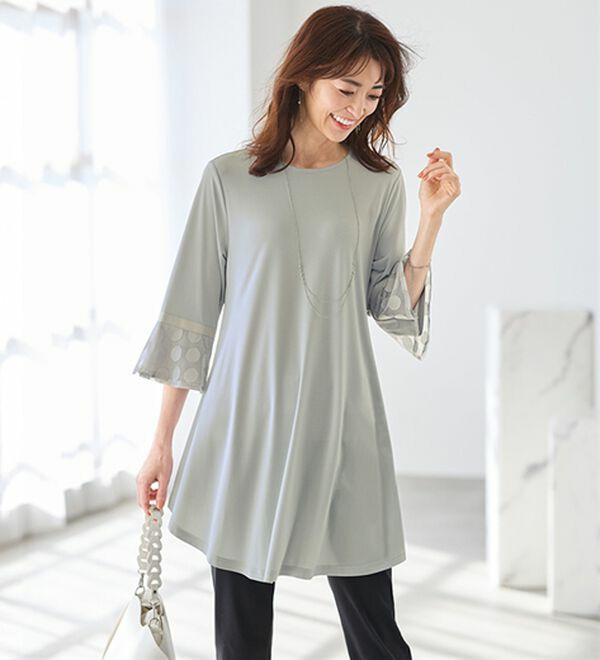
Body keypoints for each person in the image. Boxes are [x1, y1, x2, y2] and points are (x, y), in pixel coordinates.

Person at [133, 5, 460, 659]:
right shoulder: (230, 179)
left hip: (342, 422)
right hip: (244, 427)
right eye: (347, 89)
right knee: (242, 640)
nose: (359, 109)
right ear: (304, 77)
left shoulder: (379, 183)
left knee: (377, 637)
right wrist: (162, 442)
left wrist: (431, 220)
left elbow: (391, 307)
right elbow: (191, 313)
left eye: (374, 96)